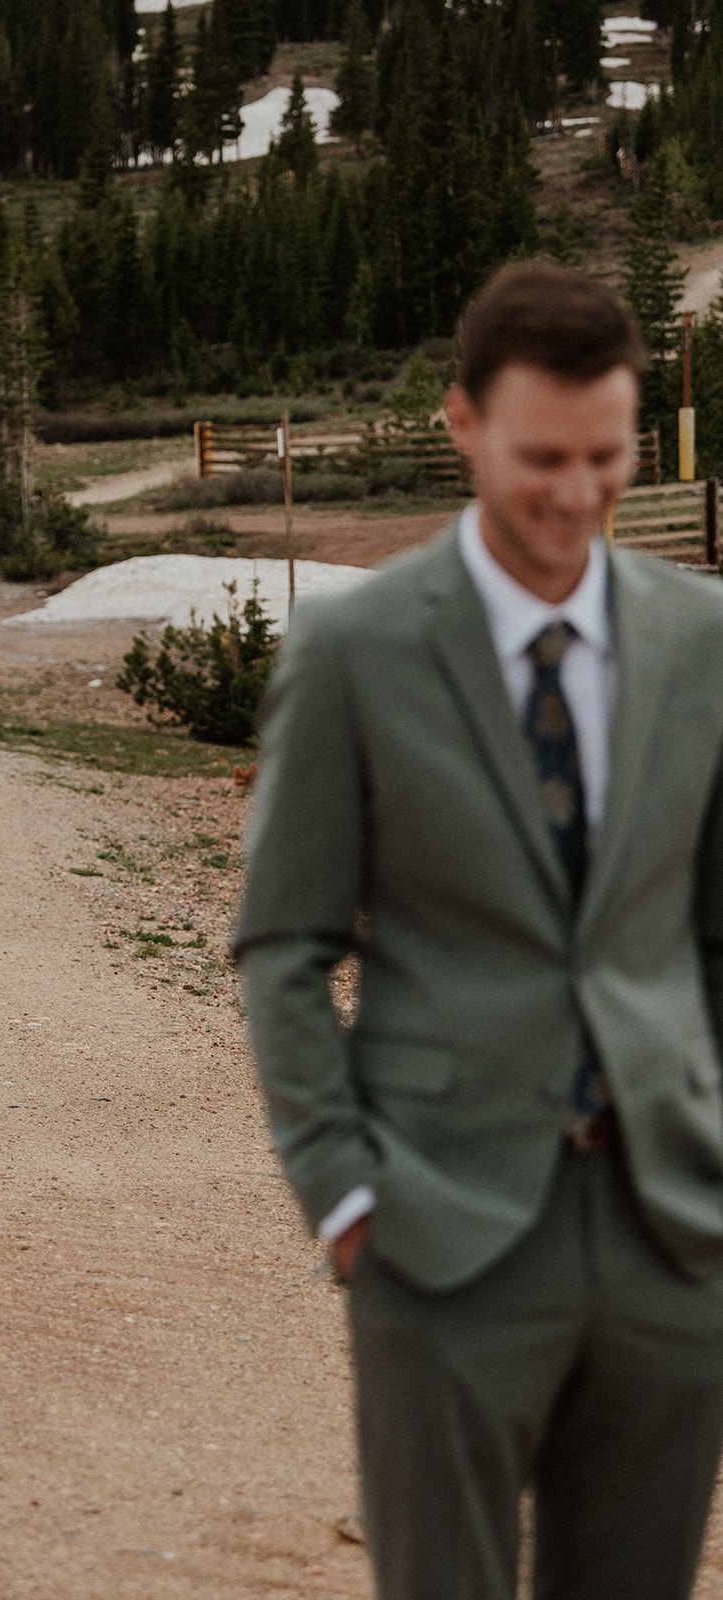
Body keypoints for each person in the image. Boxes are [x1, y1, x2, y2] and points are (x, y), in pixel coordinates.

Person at [235, 262, 723, 1600]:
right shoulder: (356, 650)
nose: (577, 494)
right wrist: (343, 1196)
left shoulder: (707, 641)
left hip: (670, 1234)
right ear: (463, 427)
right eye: (541, 459)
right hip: (435, 1229)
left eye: (606, 457)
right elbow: (281, 945)